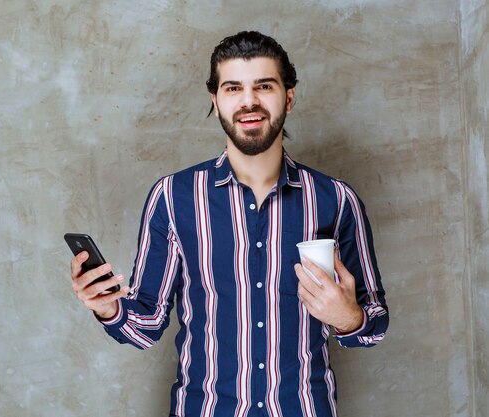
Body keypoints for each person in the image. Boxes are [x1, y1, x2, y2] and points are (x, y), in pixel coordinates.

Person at [71, 31, 388, 417]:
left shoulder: (336, 200)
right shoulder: (173, 198)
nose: (249, 101)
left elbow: (374, 325)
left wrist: (349, 317)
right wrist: (107, 308)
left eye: (264, 86)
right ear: (215, 100)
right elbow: (145, 326)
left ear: (288, 96)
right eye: (233, 87)